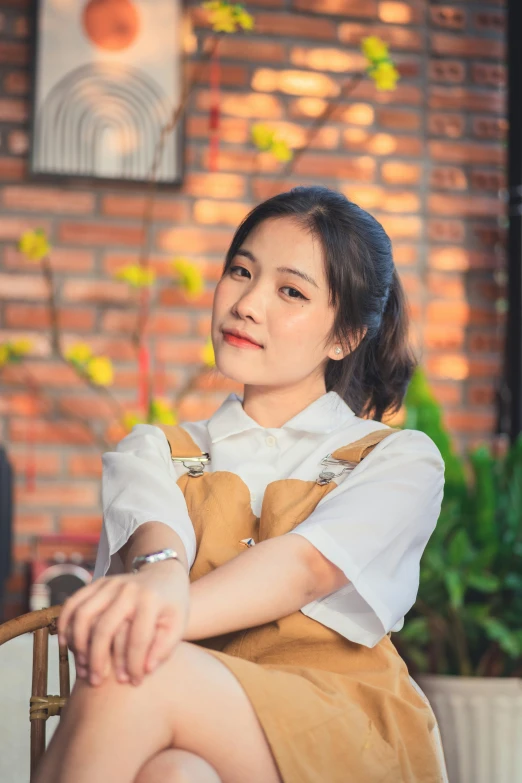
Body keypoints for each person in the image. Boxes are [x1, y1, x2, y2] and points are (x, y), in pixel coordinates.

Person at [35, 186, 445, 783]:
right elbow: (157, 544)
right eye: (241, 271)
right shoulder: (154, 449)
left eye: (291, 291)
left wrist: (155, 612)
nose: (248, 303)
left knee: (139, 667)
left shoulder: (397, 458)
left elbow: (304, 570)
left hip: (345, 724)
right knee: (176, 775)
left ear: (345, 336)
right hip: (199, 716)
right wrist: (162, 573)